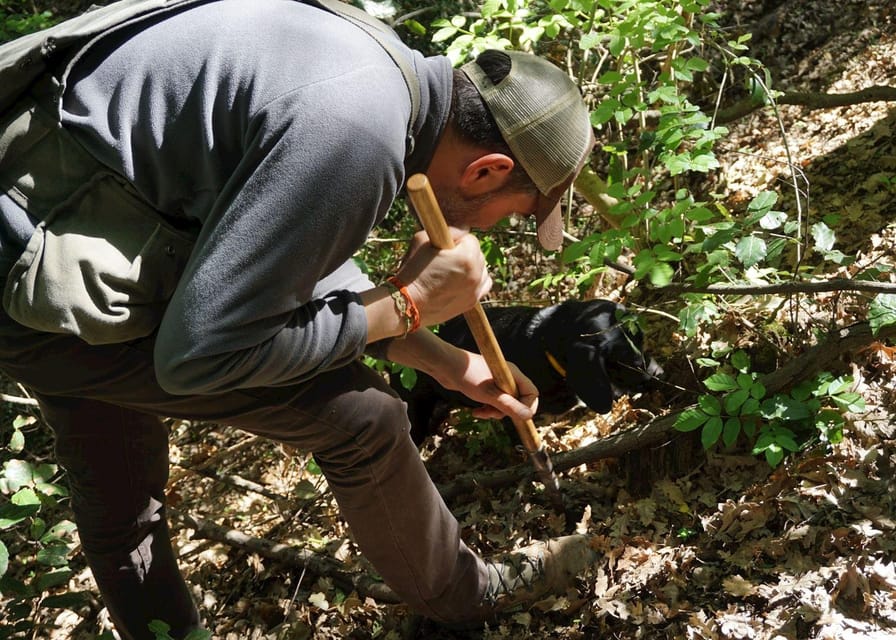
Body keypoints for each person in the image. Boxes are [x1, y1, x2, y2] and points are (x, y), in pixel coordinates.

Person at [0, 0, 597, 637]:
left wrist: (446, 361)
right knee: (366, 419)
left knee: (118, 488)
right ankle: (465, 594)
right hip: (37, 277)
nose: (495, 227)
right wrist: (405, 303)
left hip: (58, 240)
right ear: (488, 171)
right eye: (513, 212)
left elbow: (277, 254)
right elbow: (201, 356)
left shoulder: (372, 66)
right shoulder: (357, 133)